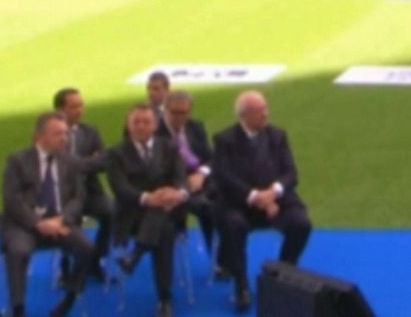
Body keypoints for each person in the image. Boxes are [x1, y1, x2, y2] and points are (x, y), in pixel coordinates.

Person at [212, 91, 312, 312]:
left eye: (266, 108)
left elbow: (290, 174)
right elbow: (224, 178)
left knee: (301, 224)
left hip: (277, 201)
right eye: (260, 111)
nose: (266, 114)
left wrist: (273, 193)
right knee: (234, 226)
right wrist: (255, 197)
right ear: (244, 115)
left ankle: (283, 274)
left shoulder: (277, 136)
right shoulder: (225, 140)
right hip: (239, 203)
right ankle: (241, 284)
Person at [0, 111, 95, 317]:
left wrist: (61, 219)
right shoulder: (17, 161)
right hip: (23, 226)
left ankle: (69, 300)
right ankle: (17, 309)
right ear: (39, 137)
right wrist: (39, 223)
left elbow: (78, 198)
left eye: (65, 133)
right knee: (18, 251)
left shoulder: (71, 161)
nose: (64, 138)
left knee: (87, 249)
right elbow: (12, 200)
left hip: (60, 223)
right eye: (58, 134)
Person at [107, 104, 188, 317]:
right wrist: (148, 198)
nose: (141, 127)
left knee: (162, 216)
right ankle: (164, 298)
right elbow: (120, 189)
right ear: (128, 125)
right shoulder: (116, 153)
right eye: (136, 122)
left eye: (146, 122)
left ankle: (135, 255)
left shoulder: (169, 147)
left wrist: (177, 194)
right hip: (133, 214)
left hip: (170, 207)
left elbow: (182, 178)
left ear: (155, 125)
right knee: (164, 231)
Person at [53, 88, 113, 280]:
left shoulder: (90, 131)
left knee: (112, 213)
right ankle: (66, 265)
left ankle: (94, 259)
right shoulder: (50, 133)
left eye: (81, 105)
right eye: (73, 107)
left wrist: (76, 164)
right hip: (61, 195)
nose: (79, 110)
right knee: (67, 220)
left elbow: (104, 161)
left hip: (90, 192)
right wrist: (88, 162)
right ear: (60, 110)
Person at [164, 90, 221, 275]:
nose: (180, 117)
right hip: (173, 187)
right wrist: (183, 182)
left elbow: (211, 158)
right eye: (175, 112)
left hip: (202, 181)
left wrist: (202, 174)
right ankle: (218, 260)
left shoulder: (195, 127)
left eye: (184, 112)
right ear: (166, 110)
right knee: (206, 208)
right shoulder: (156, 133)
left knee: (224, 200)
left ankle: (222, 258)